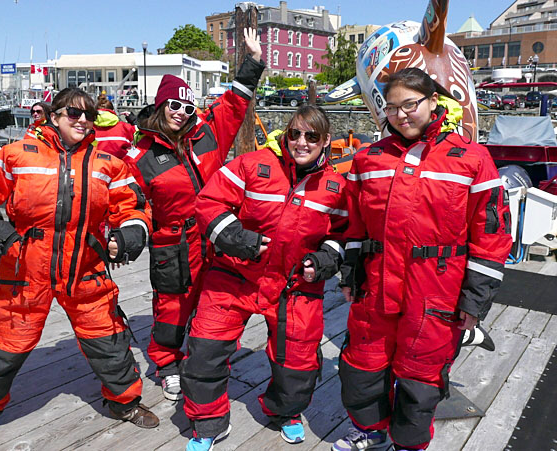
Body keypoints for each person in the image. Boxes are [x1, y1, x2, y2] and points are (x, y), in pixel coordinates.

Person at [0, 88, 159, 450]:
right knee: (8, 344)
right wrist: (0, 234)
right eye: (73, 113)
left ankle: (124, 403)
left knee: (108, 340)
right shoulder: (16, 154)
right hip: (25, 269)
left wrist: (126, 239)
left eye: (89, 115)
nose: (82, 121)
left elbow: (134, 208)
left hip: (86, 269)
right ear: (54, 116)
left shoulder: (107, 163)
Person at [332, 68, 512, 451]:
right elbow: (353, 225)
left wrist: (474, 301)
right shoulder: (368, 159)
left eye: (410, 104)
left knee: (420, 381)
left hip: (436, 293)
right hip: (375, 289)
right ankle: (371, 431)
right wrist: (349, 275)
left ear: (432, 102)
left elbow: (491, 235)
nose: (401, 115)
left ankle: (408, 445)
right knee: (361, 370)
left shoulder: (471, 159)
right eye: (392, 107)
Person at [181, 105, 348, 450]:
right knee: (203, 352)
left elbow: (344, 235)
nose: (301, 142)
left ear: (326, 141)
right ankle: (208, 422)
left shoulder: (335, 185)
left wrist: (326, 259)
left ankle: (284, 412)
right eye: (295, 134)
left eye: (311, 136)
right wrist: (237, 239)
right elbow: (208, 203)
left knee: (299, 363)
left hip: (294, 285)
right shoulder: (252, 164)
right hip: (235, 275)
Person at [123, 28, 264, 403]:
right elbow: (127, 201)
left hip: (216, 236)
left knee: (213, 303)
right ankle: (167, 363)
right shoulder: (141, 157)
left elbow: (235, 103)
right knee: (173, 306)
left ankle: (204, 361)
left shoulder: (206, 134)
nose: (181, 113)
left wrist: (252, 61)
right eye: (174, 105)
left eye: (187, 107)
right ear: (160, 106)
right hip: (173, 242)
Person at [94, 92, 135, 160]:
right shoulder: (124, 127)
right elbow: (140, 135)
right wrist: (133, 120)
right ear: (113, 111)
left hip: (97, 166)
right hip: (120, 166)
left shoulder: (89, 128)